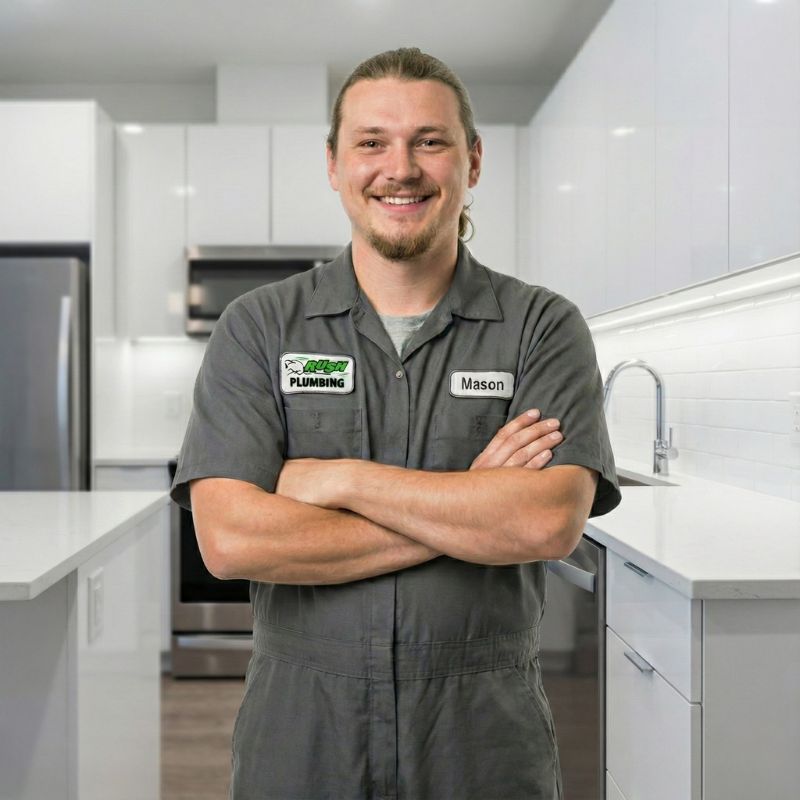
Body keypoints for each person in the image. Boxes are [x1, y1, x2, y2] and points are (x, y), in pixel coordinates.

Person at [171, 47, 621, 800]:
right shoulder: (259, 327)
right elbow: (231, 541)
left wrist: (342, 480)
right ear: (334, 163)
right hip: (303, 732)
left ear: (473, 161)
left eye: (430, 141)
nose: (400, 168)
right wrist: (471, 506)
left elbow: (544, 522)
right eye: (372, 142)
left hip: (481, 737)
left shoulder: (541, 327)